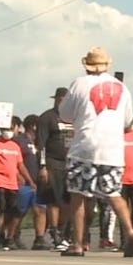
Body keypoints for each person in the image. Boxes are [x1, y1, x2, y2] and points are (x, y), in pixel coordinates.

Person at [58, 47, 133, 258]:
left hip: (85, 145)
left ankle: (77, 244)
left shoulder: (79, 83)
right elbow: (128, 121)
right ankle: (130, 230)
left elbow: (65, 114)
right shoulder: (122, 87)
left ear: (87, 66)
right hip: (113, 147)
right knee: (113, 193)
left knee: (78, 194)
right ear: (106, 66)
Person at [0, 125, 36, 251]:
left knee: (13, 212)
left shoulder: (15, 146)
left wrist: (30, 180)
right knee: (0, 210)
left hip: (13, 183)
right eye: (5, 129)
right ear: (1, 130)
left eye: (10, 129)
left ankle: (8, 238)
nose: (8, 132)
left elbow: (20, 165)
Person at [37, 87, 73, 251]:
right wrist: (43, 166)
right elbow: (41, 145)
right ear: (56, 99)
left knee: (68, 200)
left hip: (71, 163)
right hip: (53, 162)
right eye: (60, 100)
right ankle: (54, 232)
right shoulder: (47, 118)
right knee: (54, 199)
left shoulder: (73, 117)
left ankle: (62, 230)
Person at [14, 114, 41, 250]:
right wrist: (18, 175)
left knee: (39, 210)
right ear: (33, 126)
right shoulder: (19, 140)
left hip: (38, 182)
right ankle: (14, 236)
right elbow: (14, 161)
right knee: (20, 211)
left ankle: (39, 238)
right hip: (24, 182)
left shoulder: (39, 141)